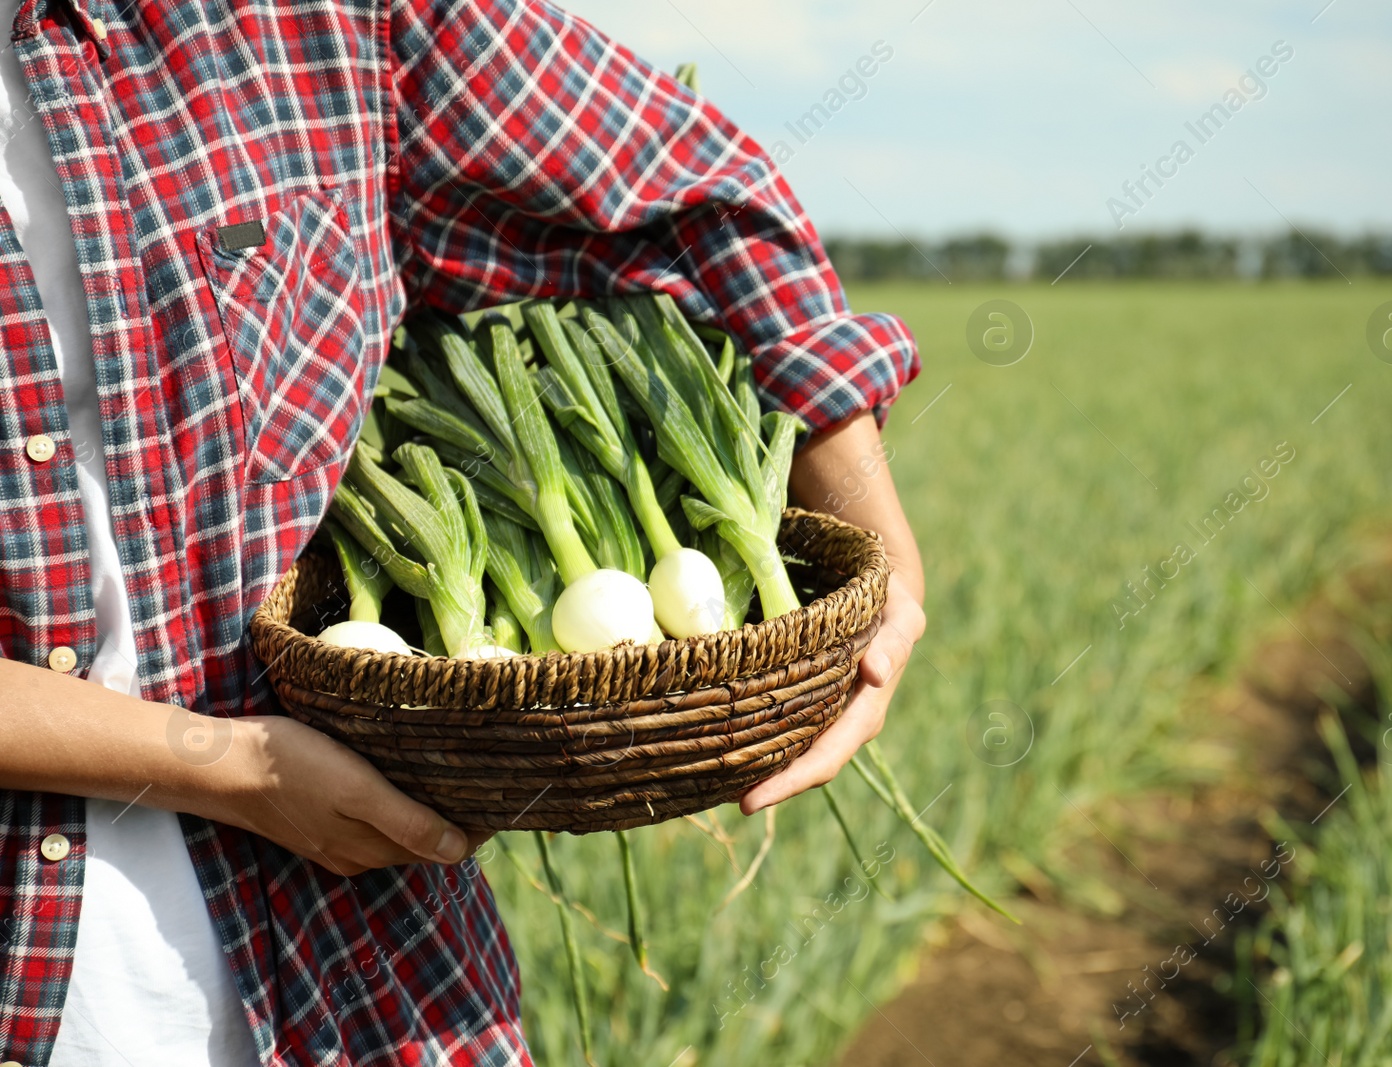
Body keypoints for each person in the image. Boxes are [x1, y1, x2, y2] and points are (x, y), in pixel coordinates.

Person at [0, 0, 924, 1063]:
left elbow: (700, 195)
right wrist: (235, 767)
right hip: (53, 976)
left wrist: (883, 565)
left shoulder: (331, 18)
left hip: (366, 966)